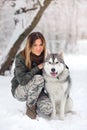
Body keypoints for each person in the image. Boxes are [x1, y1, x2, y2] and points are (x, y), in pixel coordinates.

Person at [11, 32, 53, 119]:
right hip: (20, 90)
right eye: (35, 45)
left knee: (48, 109)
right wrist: (38, 67)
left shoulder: (45, 56)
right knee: (38, 78)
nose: (39, 48)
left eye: (41, 44)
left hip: (37, 90)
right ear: (29, 45)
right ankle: (30, 107)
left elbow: (56, 65)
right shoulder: (21, 57)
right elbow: (22, 81)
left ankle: (35, 101)